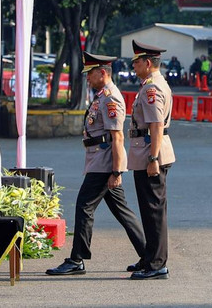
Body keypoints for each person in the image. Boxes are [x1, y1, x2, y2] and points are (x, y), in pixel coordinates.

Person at [46, 52, 145, 277]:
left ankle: (76, 259)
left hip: (104, 163)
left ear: (102, 73)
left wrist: (117, 170)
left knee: (84, 206)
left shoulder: (110, 98)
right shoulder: (101, 95)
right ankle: (148, 255)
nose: (87, 79)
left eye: (90, 74)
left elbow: (117, 137)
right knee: (122, 211)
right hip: (99, 160)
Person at [128, 40, 176, 280]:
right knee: (149, 210)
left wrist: (153, 158)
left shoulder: (151, 88)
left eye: (136, 62)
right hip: (147, 151)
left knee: (154, 211)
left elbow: (156, 126)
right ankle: (150, 258)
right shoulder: (152, 84)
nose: (133, 65)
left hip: (151, 153)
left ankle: (157, 264)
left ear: (148, 63)